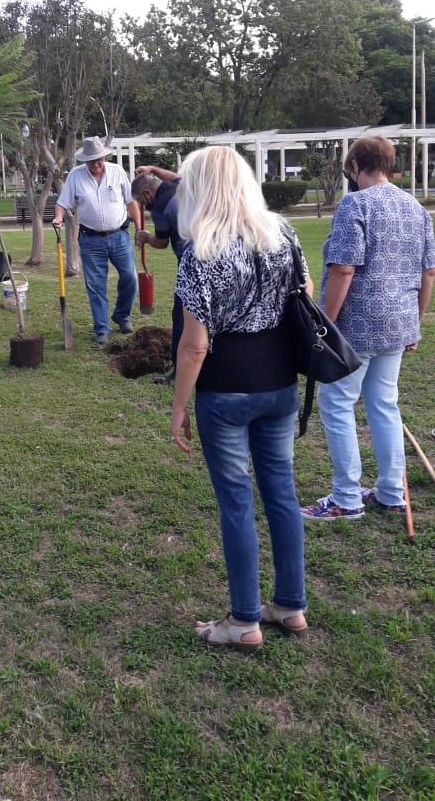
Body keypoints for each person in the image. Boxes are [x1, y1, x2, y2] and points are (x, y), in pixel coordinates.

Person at [170, 145, 312, 650]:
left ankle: (245, 619)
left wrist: (179, 405)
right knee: (282, 493)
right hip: (279, 385)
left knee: (236, 502)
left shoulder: (199, 251)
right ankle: (291, 605)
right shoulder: (283, 234)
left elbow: (195, 344)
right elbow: (306, 296)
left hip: (224, 388)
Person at [300, 134, 435, 521]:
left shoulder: (354, 205)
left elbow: (344, 268)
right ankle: (392, 492)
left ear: (356, 165)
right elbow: (429, 272)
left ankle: (346, 497)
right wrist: (415, 323)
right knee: (384, 404)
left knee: (338, 402)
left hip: (355, 326)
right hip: (399, 322)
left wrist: (323, 323)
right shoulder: (416, 209)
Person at [53, 137, 140, 345]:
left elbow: (131, 202)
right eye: (91, 161)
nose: (96, 164)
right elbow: (62, 203)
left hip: (119, 236)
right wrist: (58, 217)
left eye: (99, 160)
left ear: (104, 157)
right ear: (85, 161)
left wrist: (139, 228)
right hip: (90, 240)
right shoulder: (75, 176)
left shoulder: (117, 171)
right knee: (95, 285)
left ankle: (122, 315)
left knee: (130, 277)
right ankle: (102, 328)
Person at [131, 165, 186, 383]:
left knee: (182, 316)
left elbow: (161, 243)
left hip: (192, 260)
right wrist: (152, 168)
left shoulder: (160, 208)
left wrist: (146, 237)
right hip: (218, 253)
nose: (143, 207)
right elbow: (174, 176)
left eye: (142, 202)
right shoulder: (178, 186)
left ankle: (178, 373)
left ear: (147, 194)